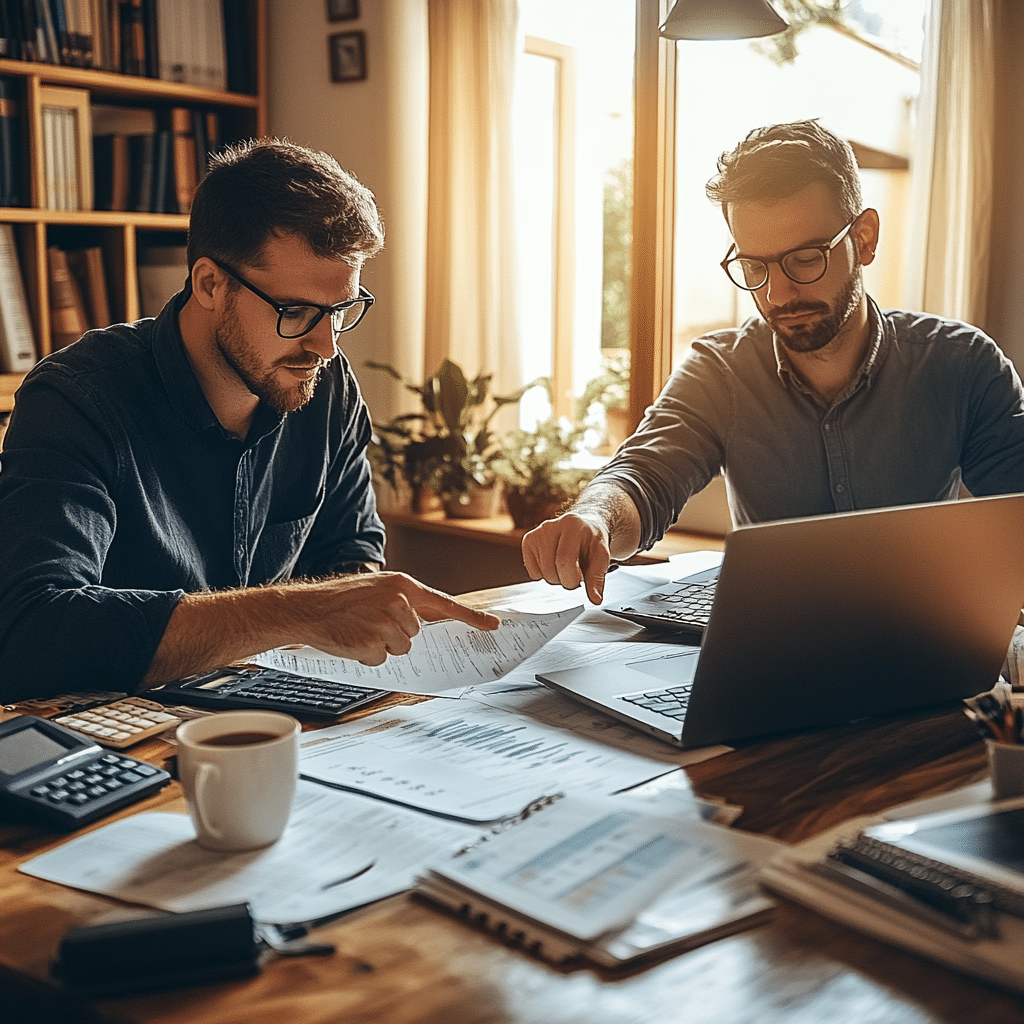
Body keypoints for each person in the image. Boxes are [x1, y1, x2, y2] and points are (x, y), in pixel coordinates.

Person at [0, 138, 498, 703]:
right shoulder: (77, 400)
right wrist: (296, 610)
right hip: (124, 744)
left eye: (341, 311)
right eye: (295, 311)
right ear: (211, 283)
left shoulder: (324, 390)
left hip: (283, 719)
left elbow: (348, 559)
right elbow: (27, 633)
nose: (325, 346)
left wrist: (343, 608)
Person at [523, 119, 1024, 605]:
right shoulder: (719, 371)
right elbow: (645, 476)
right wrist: (596, 518)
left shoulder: (961, 365)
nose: (778, 292)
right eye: (753, 266)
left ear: (864, 239)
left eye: (806, 258)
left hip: (922, 643)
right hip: (766, 653)